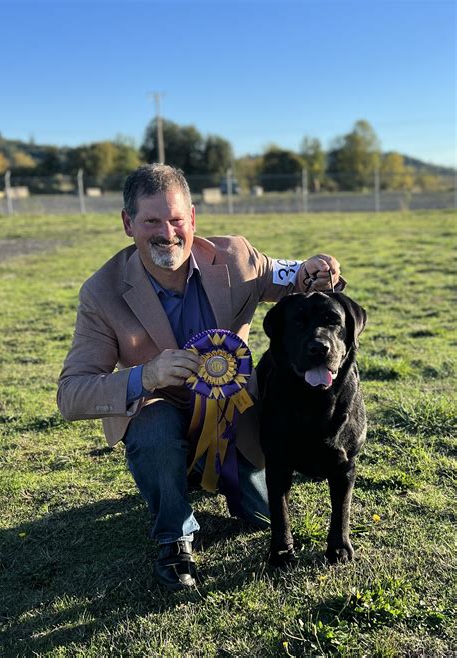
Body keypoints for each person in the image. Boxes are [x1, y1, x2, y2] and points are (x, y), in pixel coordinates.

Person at [57, 164, 343, 591]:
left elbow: (298, 275)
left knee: (260, 515)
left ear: (192, 218)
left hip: (234, 418)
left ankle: (197, 474)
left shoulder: (237, 259)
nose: (167, 232)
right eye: (151, 221)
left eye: (175, 219)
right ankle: (175, 536)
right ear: (127, 223)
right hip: (159, 410)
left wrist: (319, 269)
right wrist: (146, 375)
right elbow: (71, 394)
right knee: (154, 430)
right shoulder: (102, 292)